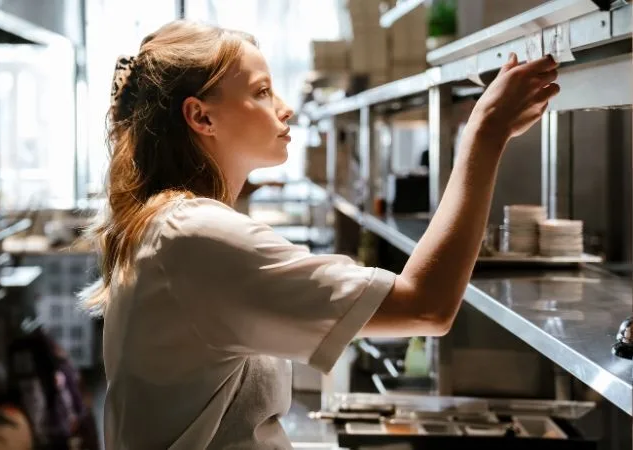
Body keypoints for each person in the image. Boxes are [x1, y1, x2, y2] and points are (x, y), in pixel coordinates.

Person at [83, 20, 559, 449]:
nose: (286, 109)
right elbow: (426, 306)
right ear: (202, 117)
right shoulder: (195, 236)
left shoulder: (174, 226)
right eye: (263, 91)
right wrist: (484, 133)